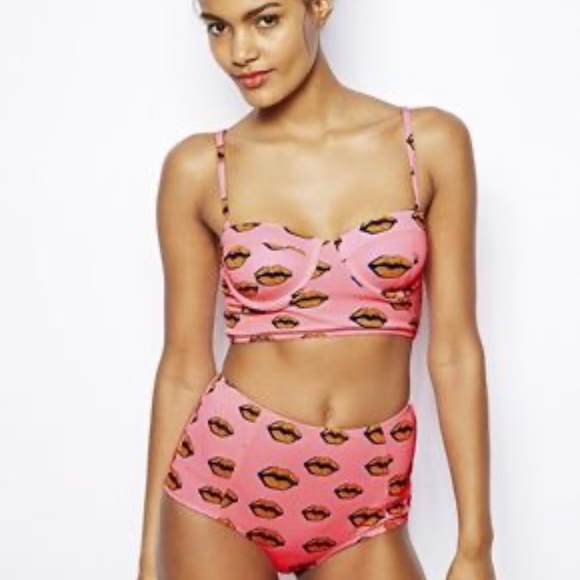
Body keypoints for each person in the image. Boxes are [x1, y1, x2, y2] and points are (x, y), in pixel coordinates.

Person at [137, 1, 496, 579]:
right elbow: (183, 365)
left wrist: (475, 544)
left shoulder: (427, 144)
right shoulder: (200, 168)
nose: (239, 52)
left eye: (265, 19)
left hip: (368, 500)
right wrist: (148, 557)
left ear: (319, 6)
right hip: (222, 489)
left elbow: (455, 351)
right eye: (218, 28)